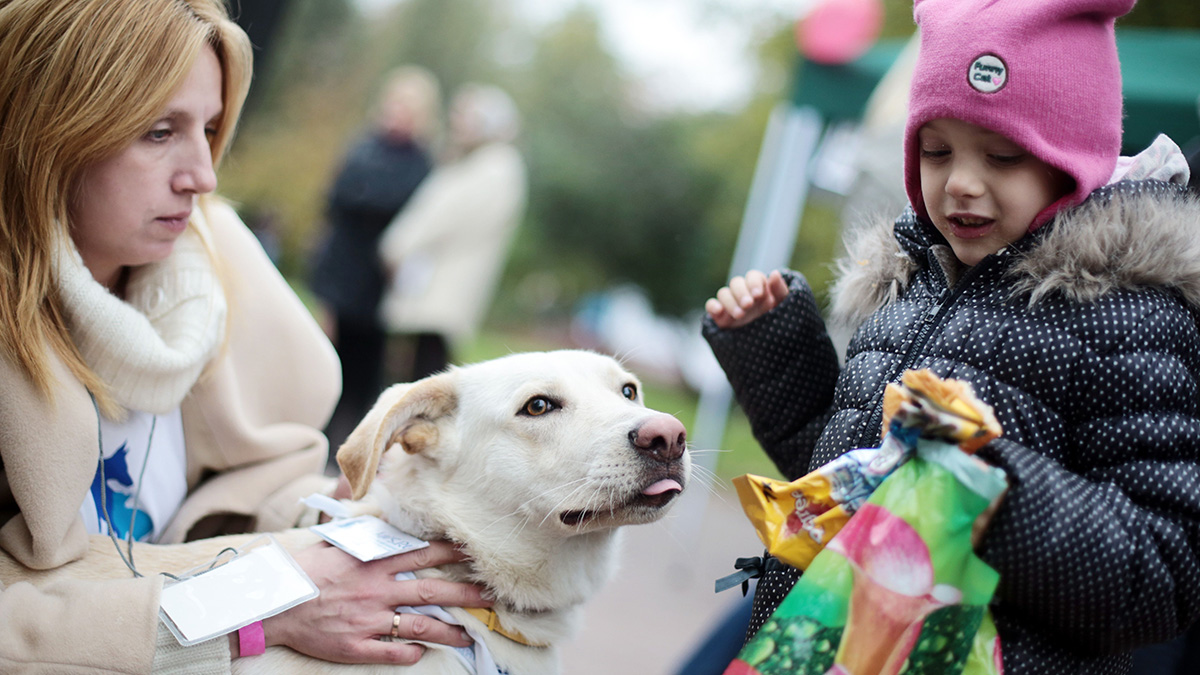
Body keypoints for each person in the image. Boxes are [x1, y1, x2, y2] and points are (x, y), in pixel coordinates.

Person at [703, 0, 1200, 673]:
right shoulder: (909, 286)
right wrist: (773, 350)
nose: (961, 182)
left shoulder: (1128, 318)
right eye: (936, 151)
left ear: (1072, 160)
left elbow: (1162, 576)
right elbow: (853, 483)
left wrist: (989, 489)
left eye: (1003, 155)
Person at [0, 1, 490, 672]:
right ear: (46, 130)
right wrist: (251, 610)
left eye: (208, 129)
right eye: (158, 131)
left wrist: (335, 515)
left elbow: (234, 496)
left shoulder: (214, 275)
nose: (203, 176)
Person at [309, 66, 440, 451]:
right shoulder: (363, 146)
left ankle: (351, 443)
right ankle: (316, 431)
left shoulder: (422, 163)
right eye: (394, 104)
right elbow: (338, 197)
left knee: (366, 370)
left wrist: (365, 197)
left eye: (407, 107)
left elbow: (396, 206)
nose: (397, 113)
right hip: (341, 273)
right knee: (326, 358)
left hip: (380, 282)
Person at [378, 83, 527, 382]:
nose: (456, 122)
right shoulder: (480, 163)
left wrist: (399, 246)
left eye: (465, 115)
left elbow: (444, 216)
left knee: (426, 376)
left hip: (442, 290)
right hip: (435, 287)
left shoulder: (495, 167)